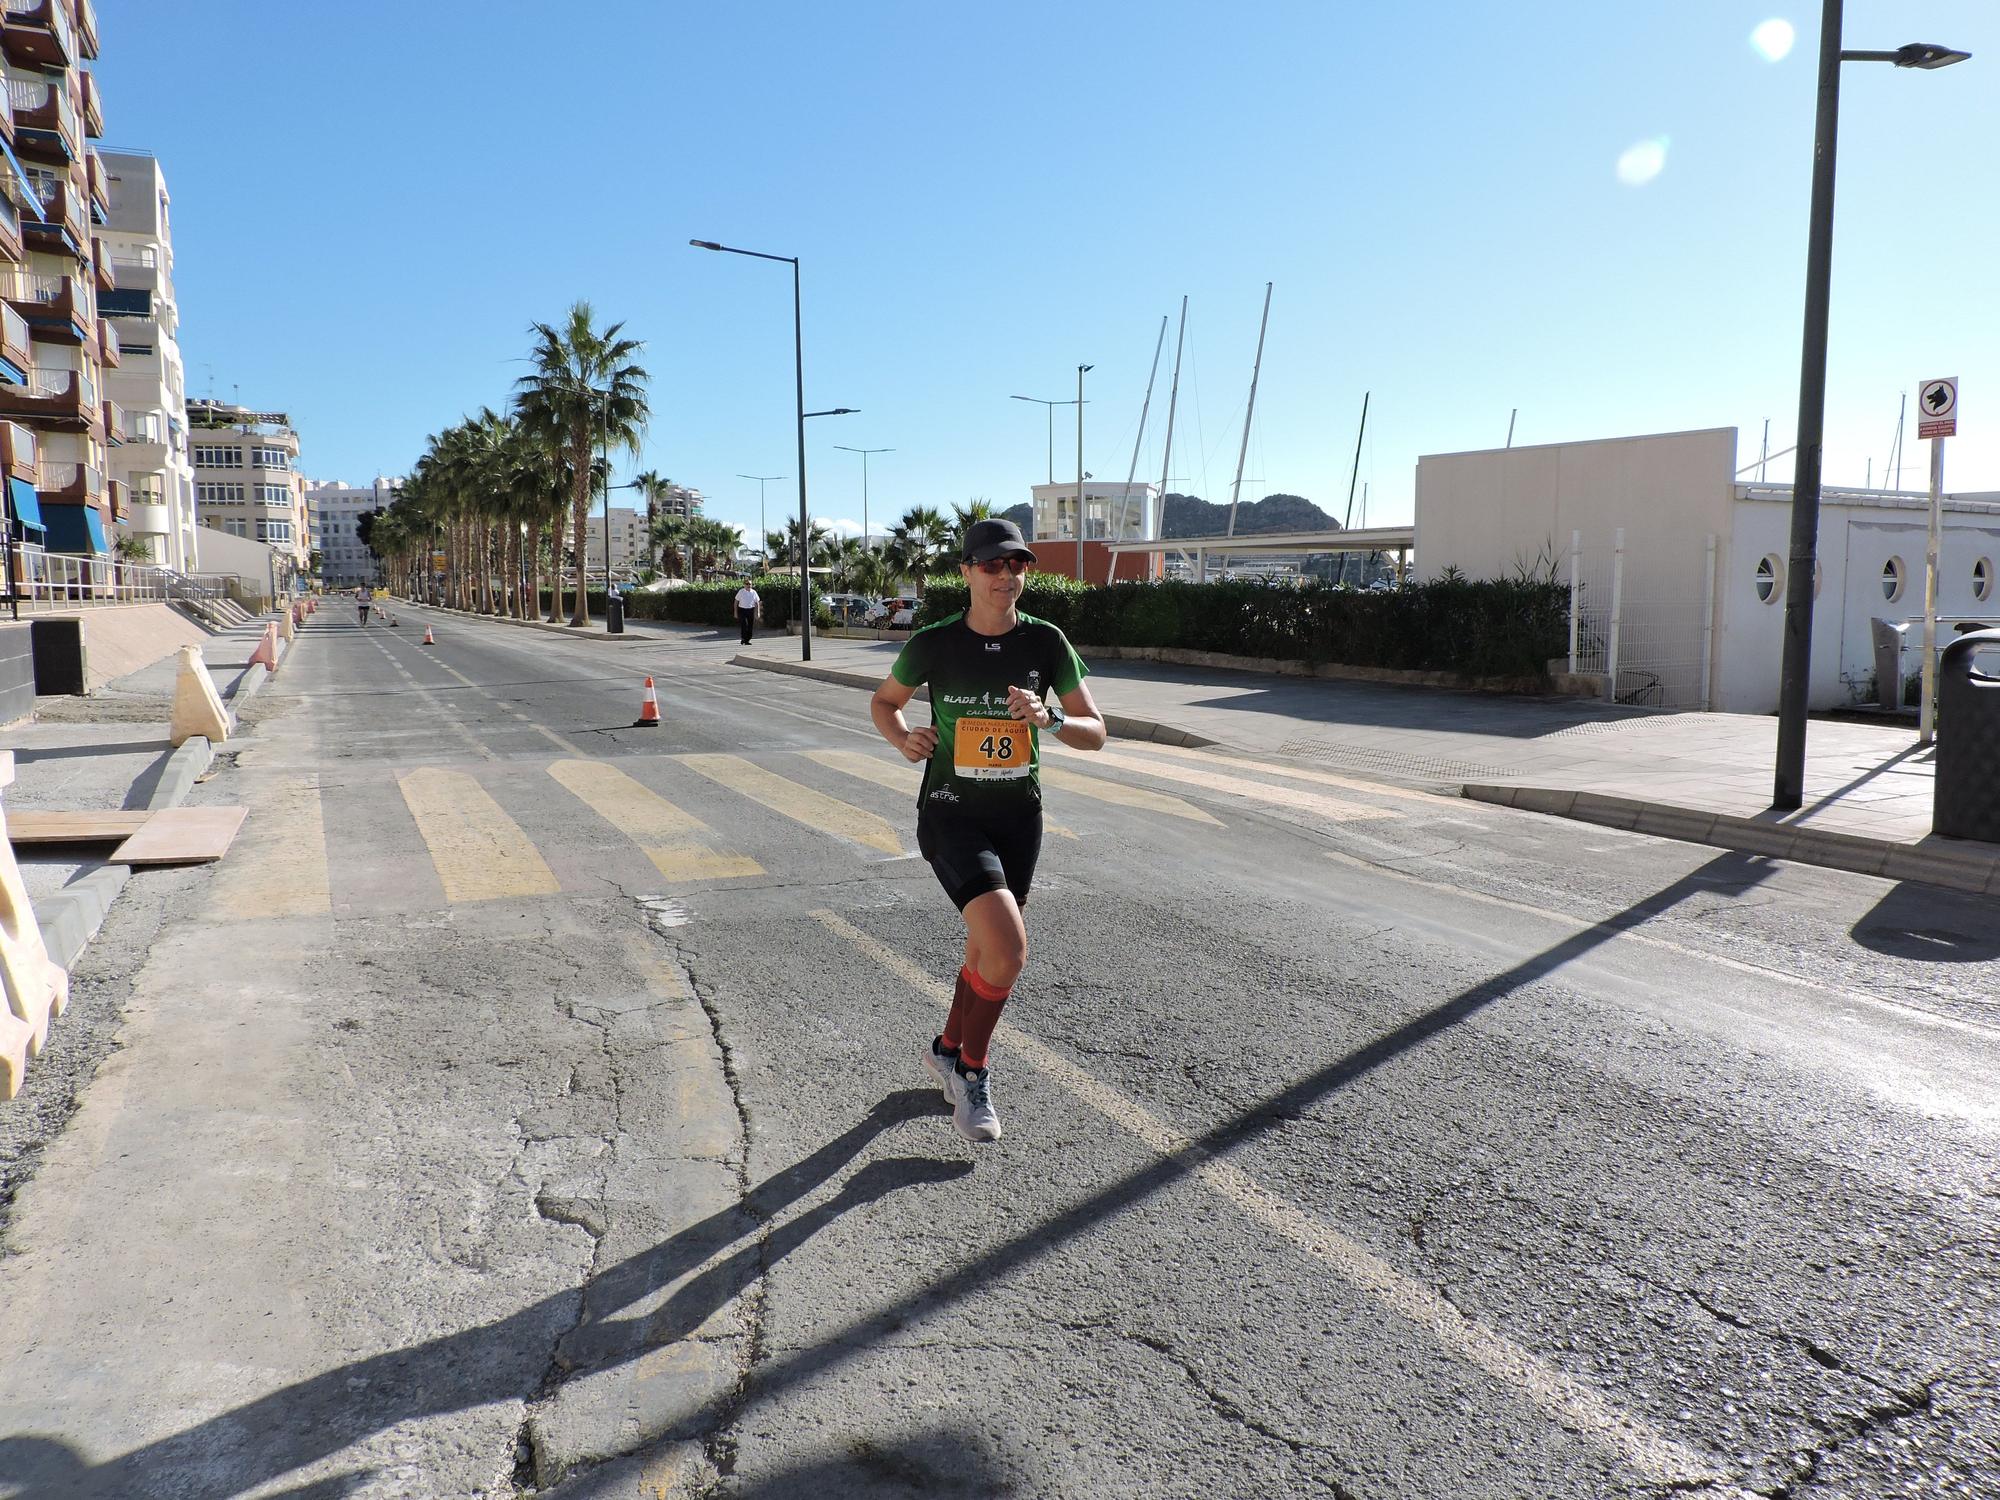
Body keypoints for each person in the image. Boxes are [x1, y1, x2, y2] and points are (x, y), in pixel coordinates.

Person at [869, 518, 1107, 1142]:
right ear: (968, 571)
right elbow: (884, 701)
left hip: (1018, 817)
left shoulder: (1047, 643)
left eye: (1018, 565)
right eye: (994, 565)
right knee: (1008, 947)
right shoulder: (935, 642)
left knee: (985, 947)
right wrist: (904, 738)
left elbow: (1097, 731)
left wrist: (1050, 719)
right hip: (951, 812)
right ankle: (972, 1074)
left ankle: (947, 1048)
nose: (1008, 577)